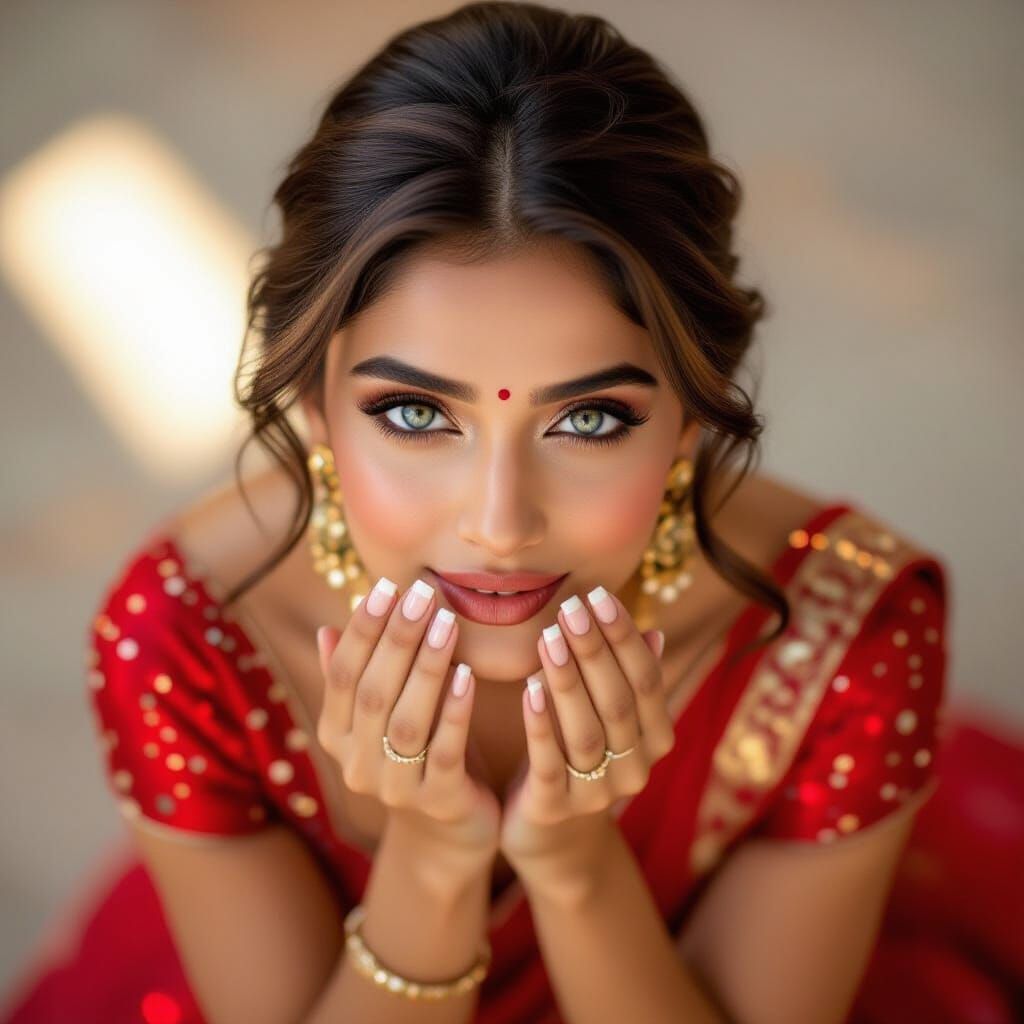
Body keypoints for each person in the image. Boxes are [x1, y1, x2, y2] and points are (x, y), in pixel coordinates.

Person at [6, 3, 1017, 1023]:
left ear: (689, 414)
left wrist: (573, 863)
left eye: (587, 418)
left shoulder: (842, 638)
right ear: (312, 403)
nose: (499, 522)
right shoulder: (187, 638)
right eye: (412, 412)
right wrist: (433, 859)